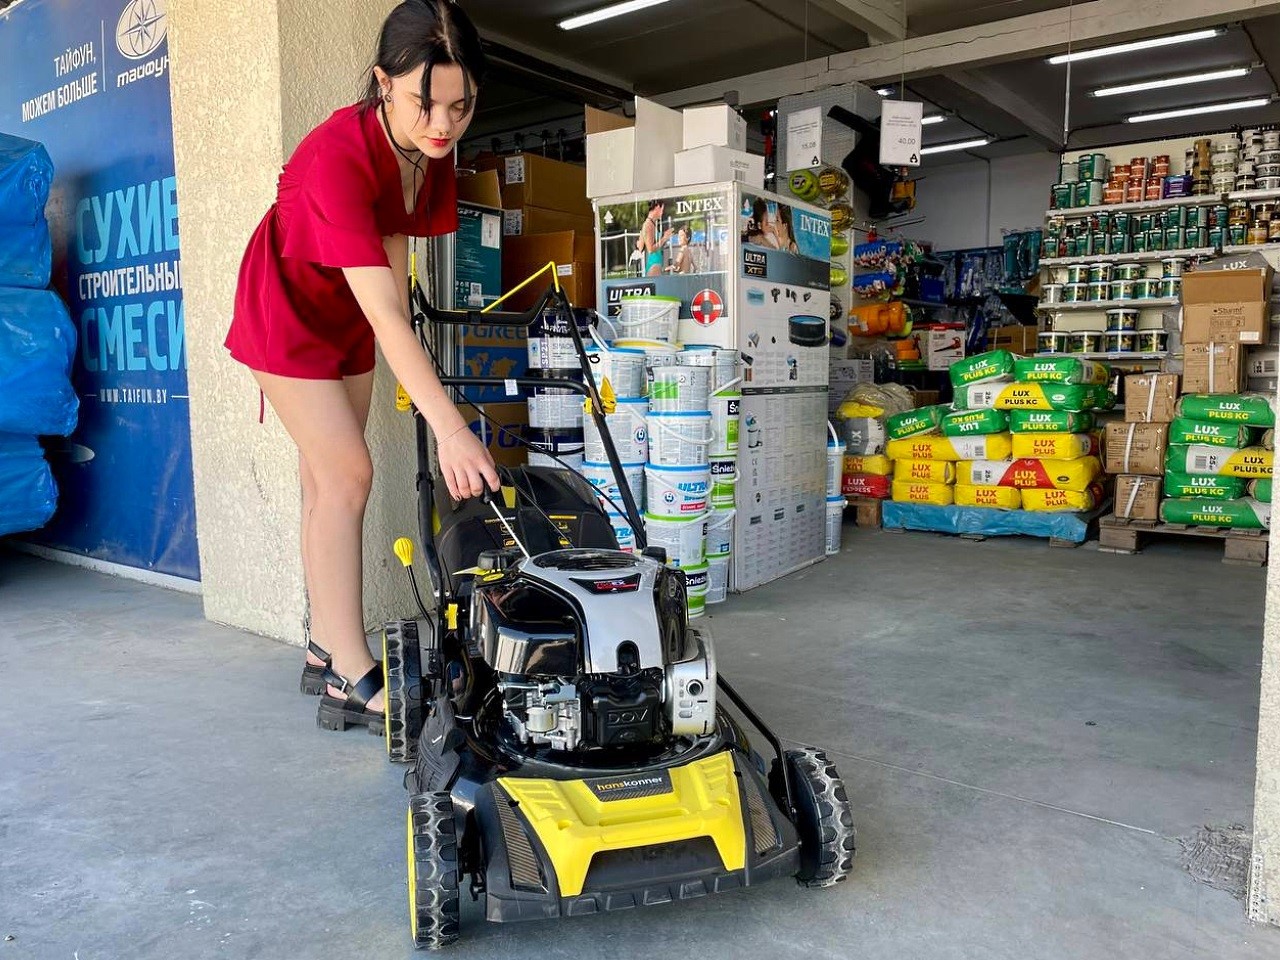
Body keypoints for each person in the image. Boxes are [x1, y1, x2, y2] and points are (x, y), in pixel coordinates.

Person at [224, 0, 499, 732]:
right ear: (383, 82)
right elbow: (386, 314)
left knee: (328, 477)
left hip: (347, 306)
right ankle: (349, 672)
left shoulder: (427, 150)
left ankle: (324, 644)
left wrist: (441, 410)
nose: (443, 124)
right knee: (349, 473)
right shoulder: (337, 158)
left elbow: (391, 295)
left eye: (460, 105)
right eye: (424, 103)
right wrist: (452, 429)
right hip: (285, 309)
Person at [636, 199, 673, 276]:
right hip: (654, 265)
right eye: (662, 209)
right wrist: (665, 238)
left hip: (656, 263)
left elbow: (640, 247)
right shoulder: (648, 225)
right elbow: (651, 249)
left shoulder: (651, 224)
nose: (662, 213)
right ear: (657, 207)